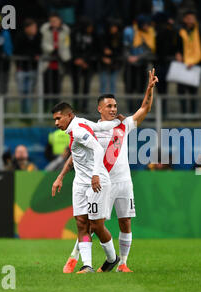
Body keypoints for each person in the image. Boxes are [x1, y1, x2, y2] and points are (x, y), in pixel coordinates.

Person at [60, 68, 159, 273]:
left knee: (125, 222)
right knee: (93, 224)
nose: (113, 109)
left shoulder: (123, 126)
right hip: (101, 182)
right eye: (109, 106)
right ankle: (76, 256)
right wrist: (61, 175)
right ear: (99, 109)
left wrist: (149, 88)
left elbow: (145, 108)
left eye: (115, 106)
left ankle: (122, 263)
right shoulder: (91, 129)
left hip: (123, 181)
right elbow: (75, 156)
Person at [51, 101, 123, 274]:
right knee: (81, 223)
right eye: (54, 119)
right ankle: (87, 265)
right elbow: (99, 128)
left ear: (69, 115)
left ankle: (112, 259)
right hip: (80, 183)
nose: (56, 123)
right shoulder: (79, 123)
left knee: (96, 225)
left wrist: (96, 174)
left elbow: (98, 149)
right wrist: (116, 122)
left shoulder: (78, 130)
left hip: (96, 182)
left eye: (58, 118)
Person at [123, 14, 155, 113]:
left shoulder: (150, 33)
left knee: (141, 89)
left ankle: (139, 111)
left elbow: (150, 50)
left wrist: (137, 57)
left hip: (142, 64)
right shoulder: (129, 31)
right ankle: (130, 110)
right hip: (130, 65)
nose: (147, 27)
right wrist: (129, 57)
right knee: (129, 88)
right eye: (145, 25)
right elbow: (125, 47)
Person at [175, 11, 201, 114]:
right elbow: (176, 45)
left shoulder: (200, 31)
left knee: (193, 91)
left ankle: (193, 114)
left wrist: (196, 61)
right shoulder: (180, 31)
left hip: (196, 64)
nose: (190, 20)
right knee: (181, 91)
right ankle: (183, 113)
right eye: (188, 18)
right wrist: (178, 53)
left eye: (192, 18)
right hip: (183, 64)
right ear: (184, 19)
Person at [40, 12, 71, 109]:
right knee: (46, 88)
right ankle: (45, 108)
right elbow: (43, 43)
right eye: (51, 21)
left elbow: (66, 44)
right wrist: (52, 49)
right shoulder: (44, 30)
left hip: (59, 62)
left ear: (59, 21)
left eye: (55, 21)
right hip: (47, 62)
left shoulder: (65, 30)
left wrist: (62, 53)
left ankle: (56, 109)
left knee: (57, 87)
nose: (53, 23)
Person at [14, 18, 42, 115]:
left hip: (33, 69)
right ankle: (23, 113)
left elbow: (39, 51)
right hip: (21, 69)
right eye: (33, 27)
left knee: (30, 93)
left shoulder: (38, 37)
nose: (35, 29)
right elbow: (17, 51)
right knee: (22, 92)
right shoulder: (19, 37)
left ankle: (28, 114)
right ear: (27, 28)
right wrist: (31, 55)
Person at [71, 17, 98, 113]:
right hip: (76, 64)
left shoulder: (93, 35)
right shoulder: (75, 34)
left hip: (88, 64)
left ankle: (84, 107)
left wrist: (85, 61)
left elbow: (94, 49)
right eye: (89, 27)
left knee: (86, 86)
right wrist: (77, 59)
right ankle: (76, 107)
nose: (91, 29)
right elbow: (72, 47)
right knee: (76, 86)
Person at [99, 19, 123, 95]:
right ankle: (103, 104)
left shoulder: (119, 37)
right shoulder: (103, 36)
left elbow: (120, 51)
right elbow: (98, 49)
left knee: (113, 85)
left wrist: (112, 58)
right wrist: (103, 57)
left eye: (115, 27)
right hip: (103, 64)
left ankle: (112, 105)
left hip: (114, 64)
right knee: (103, 85)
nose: (114, 29)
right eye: (112, 27)